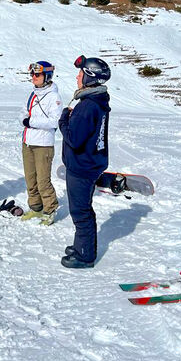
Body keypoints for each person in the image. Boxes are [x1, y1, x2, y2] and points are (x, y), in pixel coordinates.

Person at [58, 55, 111, 268]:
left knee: (80, 211)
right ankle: (81, 245)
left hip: (81, 168)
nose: (77, 77)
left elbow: (73, 139)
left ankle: (85, 255)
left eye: (81, 74)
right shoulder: (97, 101)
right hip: (89, 165)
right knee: (82, 209)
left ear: (90, 78)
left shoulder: (87, 106)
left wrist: (64, 119)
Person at [20, 61, 63, 226]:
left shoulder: (54, 97)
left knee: (43, 180)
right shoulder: (32, 94)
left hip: (43, 144)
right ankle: (36, 207)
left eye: (37, 75)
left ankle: (49, 209)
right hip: (28, 142)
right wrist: (26, 120)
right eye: (32, 74)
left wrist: (30, 121)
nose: (33, 78)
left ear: (47, 76)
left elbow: (54, 121)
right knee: (30, 179)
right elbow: (22, 114)